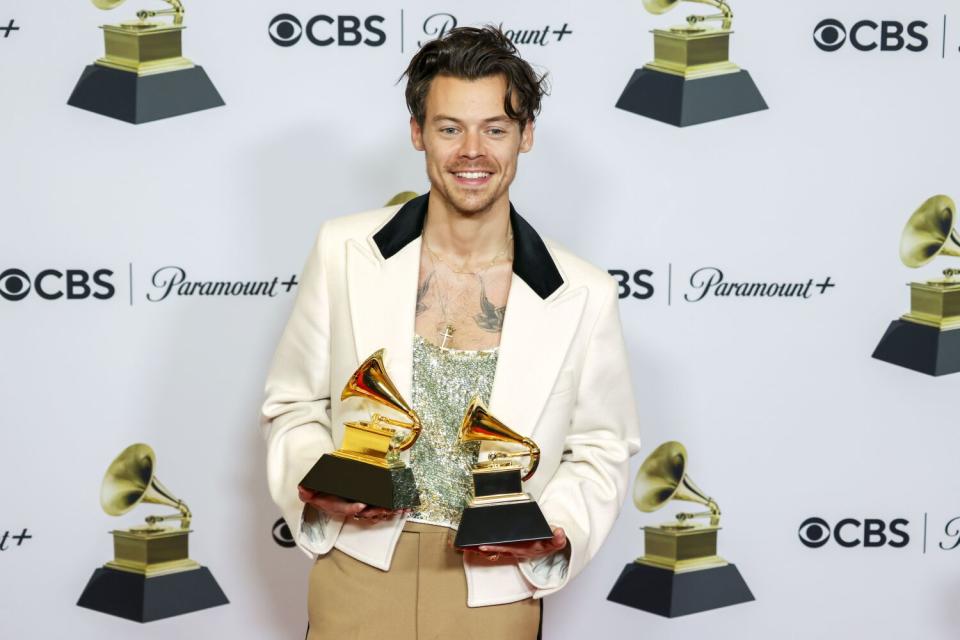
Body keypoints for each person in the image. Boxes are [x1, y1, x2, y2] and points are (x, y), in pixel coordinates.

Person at [261, 26, 641, 640]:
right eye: (449, 128)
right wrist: (318, 483)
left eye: (495, 128)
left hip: (493, 589)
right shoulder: (343, 250)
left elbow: (600, 445)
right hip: (356, 570)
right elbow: (293, 403)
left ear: (526, 136)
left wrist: (560, 524)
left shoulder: (584, 293)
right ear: (418, 133)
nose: (473, 151)